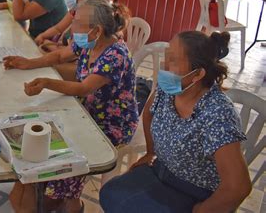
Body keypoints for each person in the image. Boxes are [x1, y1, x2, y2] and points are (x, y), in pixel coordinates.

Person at [4, 0, 138, 212]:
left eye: (77, 24)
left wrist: (47, 82)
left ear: (96, 30)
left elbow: (83, 88)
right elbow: (58, 55)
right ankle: (52, 190)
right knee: (42, 134)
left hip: (112, 124)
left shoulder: (116, 56)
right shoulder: (89, 40)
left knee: (67, 164)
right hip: (87, 110)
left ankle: (68, 200)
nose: (72, 27)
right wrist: (29, 63)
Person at [99, 31, 252, 213]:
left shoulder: (217, 114)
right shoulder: (170, 90)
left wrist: (202, 210)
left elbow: (238, 187)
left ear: (197, 75)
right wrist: (150, 152)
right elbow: (149, 112)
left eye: (173, 61)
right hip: (161, 172)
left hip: (195, 191)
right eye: (166, 57)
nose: (165, 66)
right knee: (109, 193)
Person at [34, 0, 110, 51]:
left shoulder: (91, 18)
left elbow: (71, 54)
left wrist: (46, 44)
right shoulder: (75, 10)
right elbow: (58, 28)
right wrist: (42, 36)